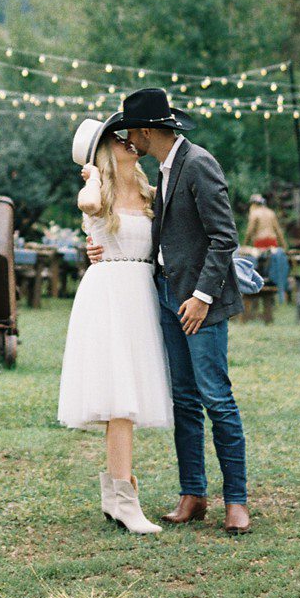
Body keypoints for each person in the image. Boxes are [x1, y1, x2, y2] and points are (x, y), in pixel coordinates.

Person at [89, 87, 251, 535]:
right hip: (166, 296)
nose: (127, 143)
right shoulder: (164, 170)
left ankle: (236, 500)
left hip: (201, 302)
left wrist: (202, 297)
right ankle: (193, 494)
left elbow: (224, 238)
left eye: (128, 134)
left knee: (216, 397)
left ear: (144, 131)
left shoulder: (198, 164)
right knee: (184, 399)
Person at [57, 118, 172, 534]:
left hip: (141, 293)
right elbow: (88, 207)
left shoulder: (148, 192)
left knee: (131, 396)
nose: (130, 143)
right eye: (119, 140)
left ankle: (115, 495)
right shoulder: (96, 192)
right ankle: (124, 499)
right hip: (110, 295)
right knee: (120, 399)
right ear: (103, 151)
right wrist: (91, 175)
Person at [244, 192, 291, 299]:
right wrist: (284, 246)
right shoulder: (271, 213)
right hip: (272, 242)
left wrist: (245, 244)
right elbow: (278, 231)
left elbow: (250, 231)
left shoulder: (254, 213)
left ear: (253, 204)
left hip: (260, 243)